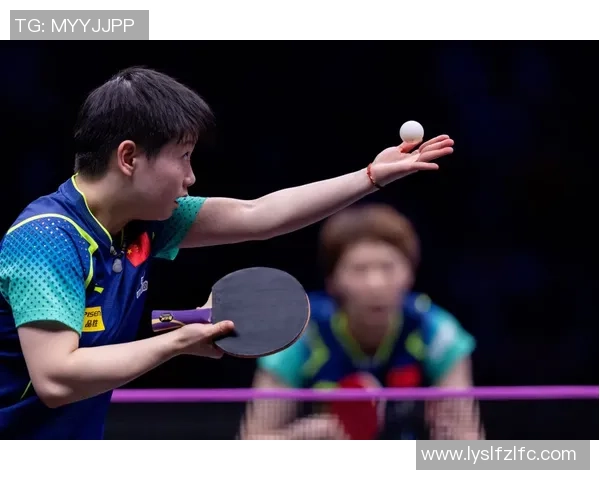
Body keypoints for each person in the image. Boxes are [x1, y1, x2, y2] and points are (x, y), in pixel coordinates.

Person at [0, 67, 454, 440]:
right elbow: (56, 378)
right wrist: (179, 342)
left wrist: (370, 176)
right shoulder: (46, 239)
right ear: (129, 158)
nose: (191, 176)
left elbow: (259, 215)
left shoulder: (142, 223)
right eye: (183, 156)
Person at [241, 204, 482, 440]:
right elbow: (251, 443)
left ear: (410, 274)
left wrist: (450, 440)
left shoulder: (437, 333)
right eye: (359, 269)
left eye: (388, 267)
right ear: (333, 280)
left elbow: (472, 448)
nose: (375, 284)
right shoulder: (299, 335)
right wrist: (301, 438)